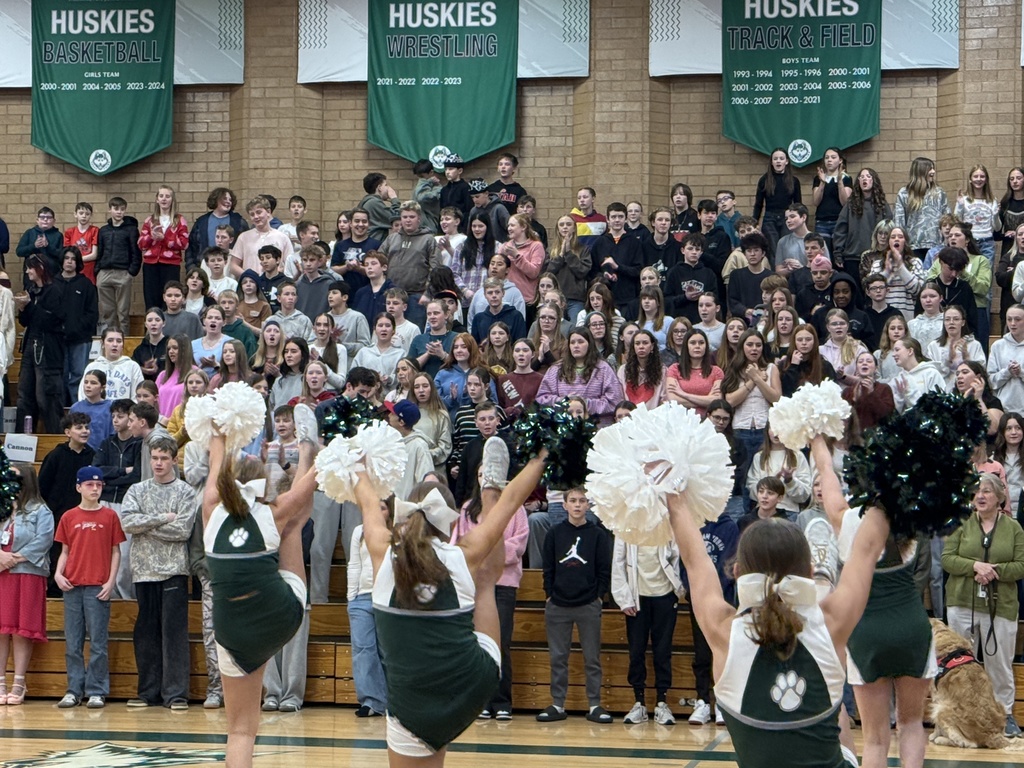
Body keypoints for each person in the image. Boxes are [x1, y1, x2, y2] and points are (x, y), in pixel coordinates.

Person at [667, 433, 889, 768]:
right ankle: (824, 580)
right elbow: (868, 546)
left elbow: (695, 560)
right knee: (834, 713)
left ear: (738, 571)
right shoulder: (831, 623)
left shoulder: (724, 631)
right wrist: (896, 486)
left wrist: (673, 496)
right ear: (809, 569)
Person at [201, 414, 319, 768]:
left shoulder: (210, 508)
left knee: (240, 731)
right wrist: (309, 449)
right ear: (262, 486)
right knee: (294, 526)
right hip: (278, 615)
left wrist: (219, 431)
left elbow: (214, 463)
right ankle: (305, 446)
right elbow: (309, 485)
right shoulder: (274, 512)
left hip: (232, 628)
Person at [942, 472, 1024, 737]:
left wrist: (993, 571)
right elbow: (947, 559)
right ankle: (955, 716)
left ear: (1000, 497)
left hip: (1001, 606)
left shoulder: (1014, 529)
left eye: (987, 491)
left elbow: (1021, 566)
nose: (980, 496)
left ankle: (1005, 715)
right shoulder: (960, 523)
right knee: (957, 663)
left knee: (999, 663)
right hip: (961, 602)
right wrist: (974, 566)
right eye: (977, 491)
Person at [120, 437, 196, 710]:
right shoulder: (137, 491)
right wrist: (163, 518)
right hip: (143, 571)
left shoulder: (185, 492)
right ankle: (147, 692)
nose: (159, 463)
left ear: (174, 460)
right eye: (155, 458)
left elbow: (182, 531)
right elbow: (128, 522)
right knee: (146, 632)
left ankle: (176, 694)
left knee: (173, 633)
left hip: (173, 570)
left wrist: (147, 525)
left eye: (164, 458)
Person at [537, 485, 614, 724]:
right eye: (573, 500)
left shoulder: (598, 535)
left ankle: (594, 704)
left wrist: (598, 596)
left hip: (588, 603)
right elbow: (547, 567)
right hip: (558, 604)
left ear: (588, 505)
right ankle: (558, 704)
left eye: (582, 500)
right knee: (558, 657)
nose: (578, 505)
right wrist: (549, 593)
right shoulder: (554, 533)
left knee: (592, 657)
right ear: (565, 505)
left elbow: (604, 569)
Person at [54, 467, 126, 709]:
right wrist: (57, 573)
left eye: (98, 485)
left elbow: (116, 551)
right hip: (72, 586)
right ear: (79, 487)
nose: (95, 489)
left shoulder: (110, 516)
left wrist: (110, 581)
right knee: (72, 642)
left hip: (98, 587)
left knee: (98, 642)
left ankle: (96, 690)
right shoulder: (68, 517)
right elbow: (65, 551)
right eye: (89, 485)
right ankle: (74, 689)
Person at [613, 534, 686, 726]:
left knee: (663, 651)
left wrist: (677, 590)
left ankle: (662, 702)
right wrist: (624, 598)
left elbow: (676, 557)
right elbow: (618, 564)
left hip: (665, 596)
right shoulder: (626, 526)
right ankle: (639, 703)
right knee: (636, 651)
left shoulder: (666, 524)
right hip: (637, 599)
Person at [0, 463, 53, 706]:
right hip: (2, 572)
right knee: (1, 630)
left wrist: (14, 558)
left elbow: (43, 541)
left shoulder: (41, 510)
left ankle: (19, 682)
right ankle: (0, 681)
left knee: (22, 631)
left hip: (28, 573)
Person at [15, 255, 66, 434]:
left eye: (31, 268)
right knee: (24, 395)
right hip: (30, 344)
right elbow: (25, 321)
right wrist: (23, 308)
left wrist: (30, 306)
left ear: (41, 269)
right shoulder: (31, 289)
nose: (27, 271)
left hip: (48, 348)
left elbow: (51, 320)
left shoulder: (56, 291)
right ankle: (23, 437)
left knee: (46, 396)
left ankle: (54, 438)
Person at [536, 328, 624, 426]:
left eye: (581, 342)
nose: (576, 346)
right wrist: (564, 402)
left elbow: (615, 401)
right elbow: (541, 399)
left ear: (589, 344)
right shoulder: (556, 369)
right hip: (564, 429)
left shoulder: (603, 368)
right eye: (572, 342)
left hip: (597, 428)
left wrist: (585, 404)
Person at [56, 246, 99, 404]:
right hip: (58, 340)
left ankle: (77, 410)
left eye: (73, 259)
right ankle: (60, 412)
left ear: (78, 262)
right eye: (67, 258)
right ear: (62, 260)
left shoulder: (86, 284)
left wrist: (77, 328)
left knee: (78, 378)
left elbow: (92, 313)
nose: (69, 262)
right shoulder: (53, 283)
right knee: (59, 377)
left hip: (80, 340)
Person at [138, 185, 189, 311]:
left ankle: (168, 328)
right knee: (151, 298)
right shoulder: (150, 220)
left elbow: (184, 243)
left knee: (169, 298)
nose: (164, 199)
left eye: (167, 196)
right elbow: (141, 244)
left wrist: (165, 239)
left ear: (172, 200)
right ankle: (151, 327)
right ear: (157, 199)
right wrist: (152, 237)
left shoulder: (179, 220)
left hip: (171, 264)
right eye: (161, 196)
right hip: (151, 264)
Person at [894, 157, 949, 260]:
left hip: (936, 245)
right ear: (921, 171)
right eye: (930, 169)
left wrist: (946, 242)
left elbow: (947, 218)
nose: (933, 172)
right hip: (913, 246)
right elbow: (899, 221)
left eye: (933, 168)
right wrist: (901, 244)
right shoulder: (904, 193)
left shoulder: (939, 193)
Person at [753, 148, 802, 253]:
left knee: (787, 248)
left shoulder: (794, 181)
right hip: (770, 218)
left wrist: (800, 222)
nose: (778, 161)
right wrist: (754, 222)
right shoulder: (764, 180)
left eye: (781, 158)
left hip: (787, 217)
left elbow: (798, 204)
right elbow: (758, 204)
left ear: (786, 161)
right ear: (771, 162)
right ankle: (774, 270)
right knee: (773, 250)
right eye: (775, 159)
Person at [80, 328, 145, 402]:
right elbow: (83, 394)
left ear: (123, 345)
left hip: (124, 412)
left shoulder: (132, 366)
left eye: (119, 341)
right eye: (110, 340)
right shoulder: (92, 367)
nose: (115, 344)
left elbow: (137, 396)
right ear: (103, 343)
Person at [891, 337, 945, 413]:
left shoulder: (931, 374)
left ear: (910, 351)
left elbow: (938, 405)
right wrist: (899, 397)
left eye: (897, 350)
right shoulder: (898, 380)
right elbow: (893, 413)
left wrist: (909, 392)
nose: (893, 354)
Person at [617, 329, 666, 408]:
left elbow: (664, 399)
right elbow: (619, 397)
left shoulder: (662, 370)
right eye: (637, 343)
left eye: (645, 343)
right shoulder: (623, 370)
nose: (641, 347)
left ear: (652, 346)